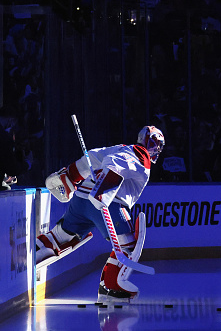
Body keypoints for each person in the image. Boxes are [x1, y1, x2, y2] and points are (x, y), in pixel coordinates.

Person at [36, 126, 165, 303]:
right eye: (153, 144)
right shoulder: (141, 156)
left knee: (62, 235)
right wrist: (103, 189)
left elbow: (94, 156)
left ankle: (35, 253)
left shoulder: (122, 147)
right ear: (144, 141)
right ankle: (111, 287)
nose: (155, 149)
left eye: (158, 145)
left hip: (81, 199)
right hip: (108, 202)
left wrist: (71, 176)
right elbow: (117, 163)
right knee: (128, 246)